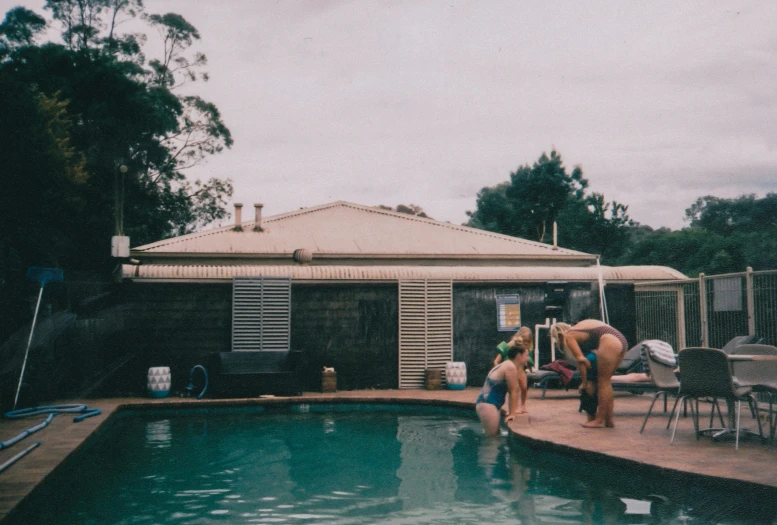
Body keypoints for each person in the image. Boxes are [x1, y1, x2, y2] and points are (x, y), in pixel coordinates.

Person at [550, 320, 629, 428]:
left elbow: (581, 360)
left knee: (603, 382)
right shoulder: (578, 328)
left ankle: (599, 421)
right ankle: (608, 420)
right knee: (606, 382)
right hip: (621, 340)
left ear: (559, 335)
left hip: (609, 340)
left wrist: (584, 382)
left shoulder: (569, 335)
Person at [476, 342, 530, 436]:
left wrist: (512, 412)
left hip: (488, 404)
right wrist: (512, 414)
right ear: (518, 355)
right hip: (488, 405)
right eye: (526, 355)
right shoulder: (510, 367)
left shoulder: (507, 364)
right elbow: (513, 391)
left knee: (494, 437)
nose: (528, 358)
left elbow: (517, 389)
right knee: (491, 441)